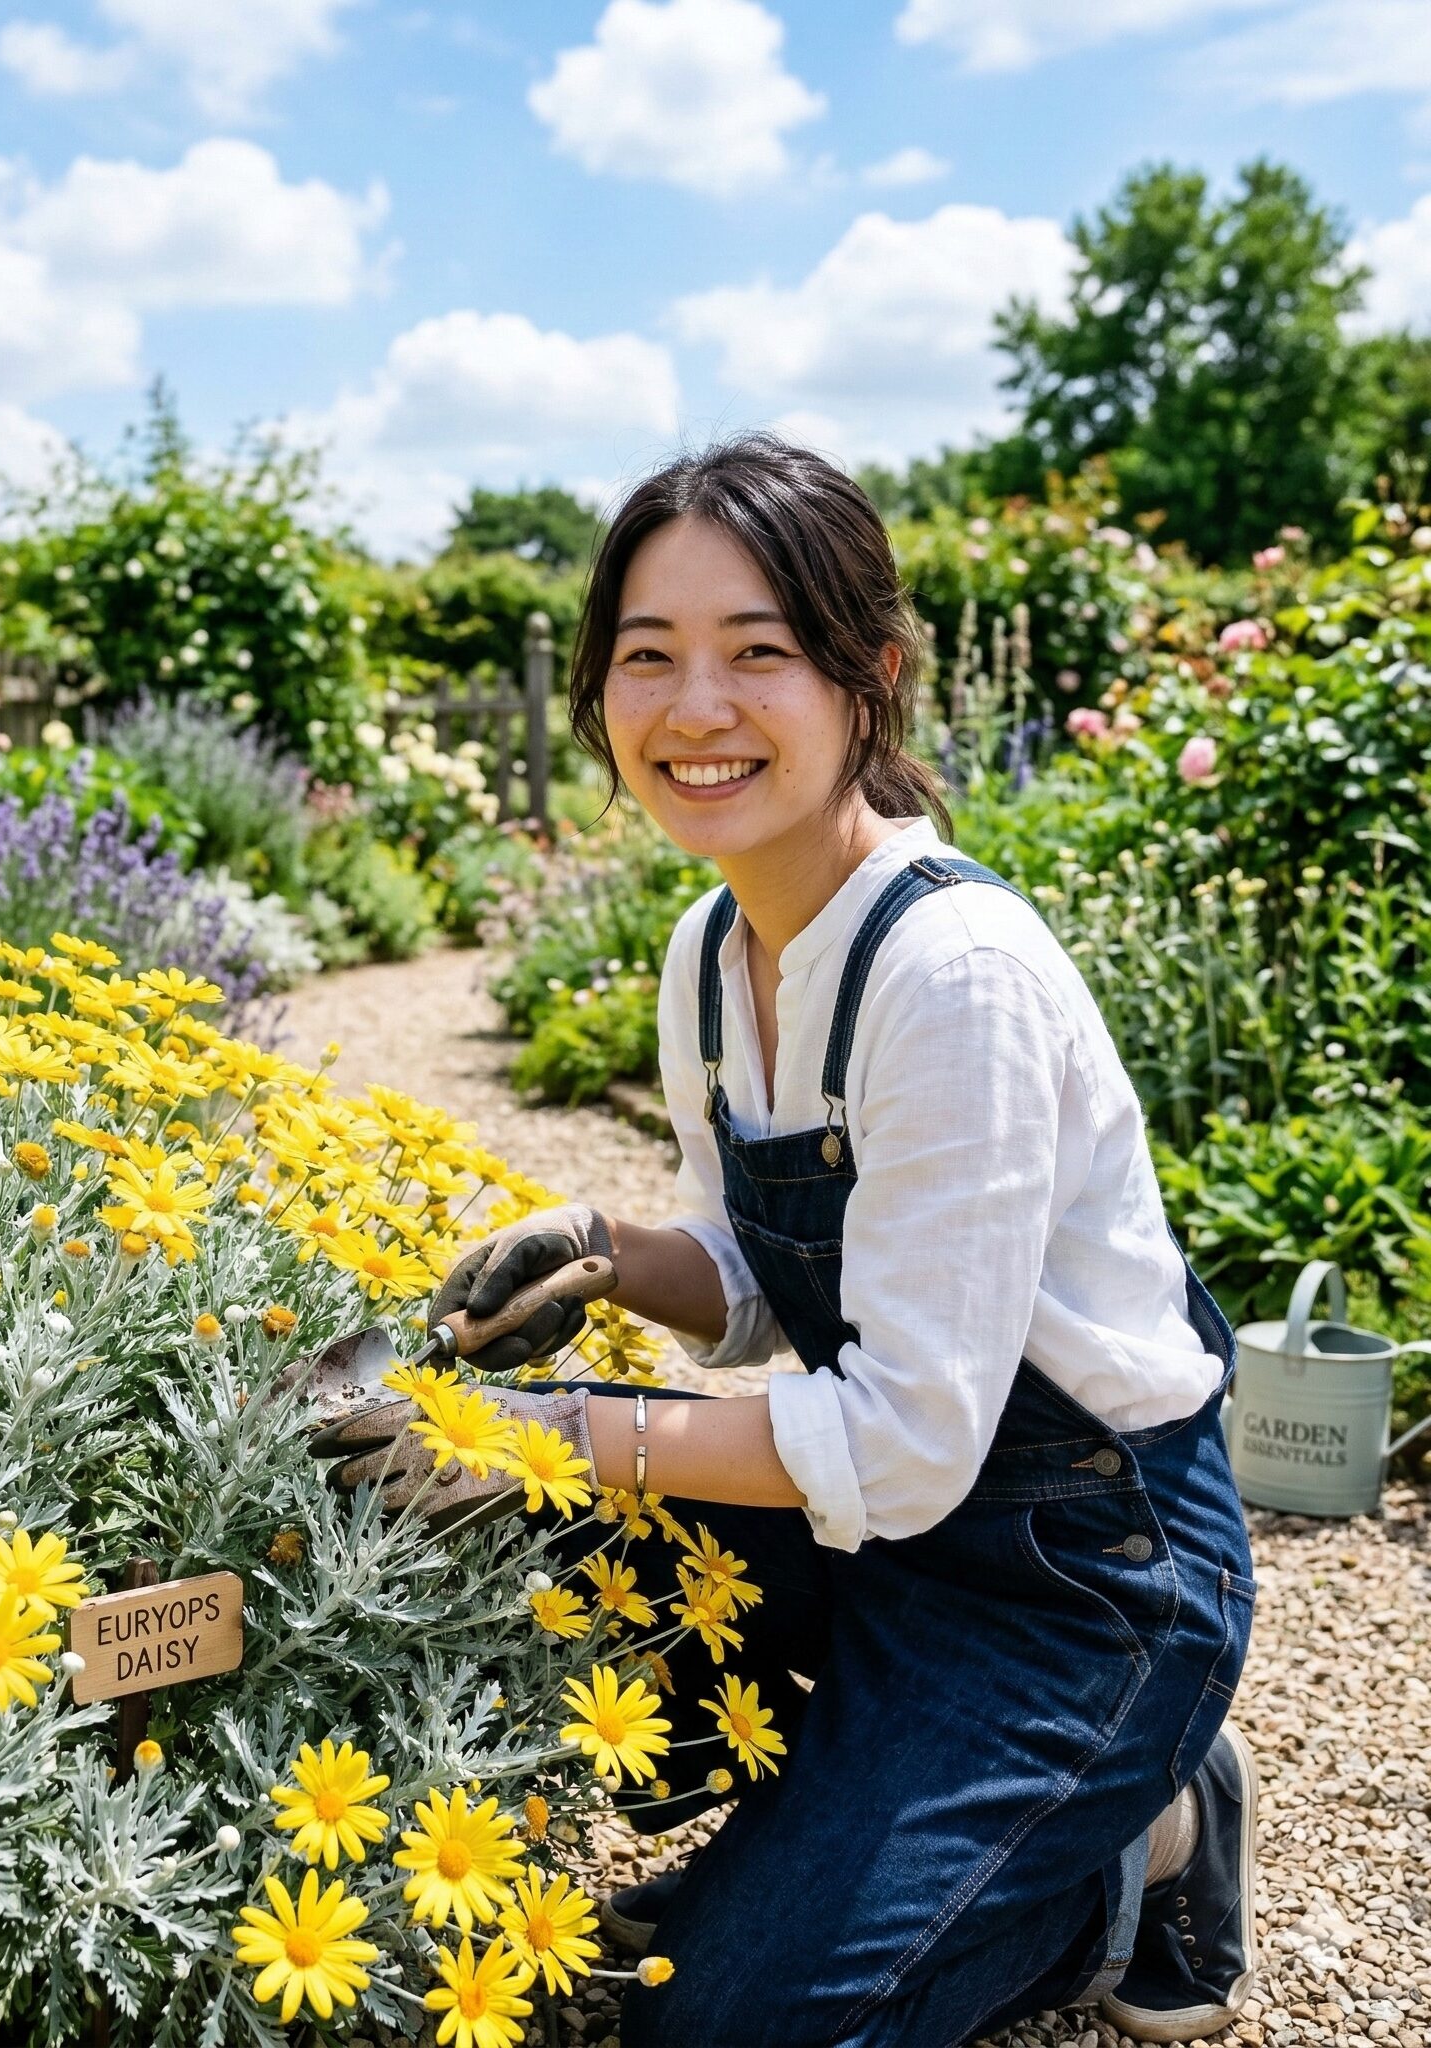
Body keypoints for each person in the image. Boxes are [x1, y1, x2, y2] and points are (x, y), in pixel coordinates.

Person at [307, 434, 1258, 2048]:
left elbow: (905, 1442)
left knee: (716, 2025)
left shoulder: (952, 975)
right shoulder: (710, 947)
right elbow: (764, 1276)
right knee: (516, 1516)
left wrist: (550, 1428)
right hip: (889, 1535)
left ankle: (1139, 1841)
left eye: (758, 653)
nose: (696, 709)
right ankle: (874, 1808)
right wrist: (611, 1251)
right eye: (648, 657)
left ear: (868, 679)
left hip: (1081, 1579)